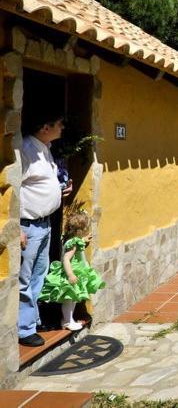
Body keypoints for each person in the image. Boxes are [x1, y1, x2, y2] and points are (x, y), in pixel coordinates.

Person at [18, 111, 72, 347]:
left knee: (38, 275)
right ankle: (23, 329)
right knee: (24, 278)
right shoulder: (26, 149)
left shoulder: (45, 147)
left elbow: (38, 185)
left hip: (44, 224)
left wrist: (59, 190)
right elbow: (12, 188)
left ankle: (31, 320)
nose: (63, 128)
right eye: (60, 124)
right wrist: (15, 227)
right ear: (45, 126)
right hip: (27, 226)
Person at [40, 202, 105, 330]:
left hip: (76, 272)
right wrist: (70, 274)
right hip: (72, 273)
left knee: (73, 298)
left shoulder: (71, 239)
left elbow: (74, 246)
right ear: (80, 230)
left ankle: (69, 319)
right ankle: (67, 321)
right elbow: (66, 258)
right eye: (86, 228)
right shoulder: (73, 243)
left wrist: (83, 240)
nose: (88, 230)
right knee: (69, 299)